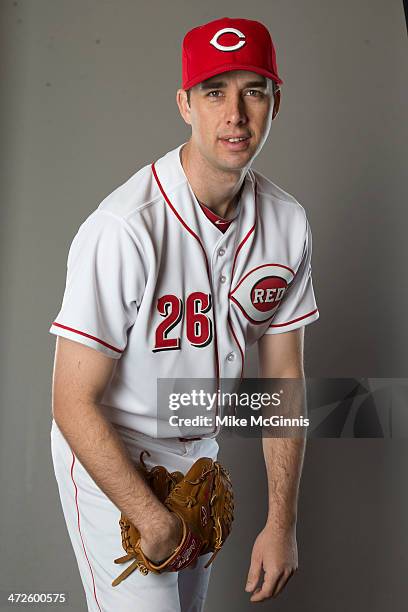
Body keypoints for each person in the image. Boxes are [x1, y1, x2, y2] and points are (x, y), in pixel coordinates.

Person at [49, 16, 319, 611]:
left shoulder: (287, 222)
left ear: (277, 102)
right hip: (112, 451)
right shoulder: (125, 227)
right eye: (215, 91)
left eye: (254, 90)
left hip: (201, 453)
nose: (236, 114)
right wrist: (148, 514)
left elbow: (282, 383)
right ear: (185, 103)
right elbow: (71, 401)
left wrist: (282, 523)